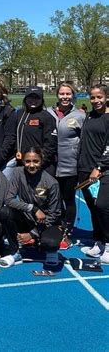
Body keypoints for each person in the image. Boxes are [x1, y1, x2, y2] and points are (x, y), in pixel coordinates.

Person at [0, 147, 63, 268]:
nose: (31, 165)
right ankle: (15, 252)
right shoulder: (17, 173)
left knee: (50, 243)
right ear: (23, 161)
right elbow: (8, 199)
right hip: (27, 218)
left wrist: (32, 234)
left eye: (36, 161)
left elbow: (54, 215)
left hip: (46, 223)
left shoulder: (52, 183)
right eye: (27, 161)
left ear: (42, 160)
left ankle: (48, 249)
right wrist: (33, 208)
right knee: (4, 212)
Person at [47, 82, 85, 248]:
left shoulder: (80, 116)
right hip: (49, 165)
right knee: (49, 199)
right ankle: (50, 228)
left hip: (69, 166)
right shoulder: (47, 113)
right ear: (57, 95)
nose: (64, 97)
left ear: (73, 95)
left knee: (67, 199)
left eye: (68, 94)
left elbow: (85, 141)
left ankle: (67, 232)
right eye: (62, 94)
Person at [78, 84, 109, 260]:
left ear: (106, 97)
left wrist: (98, 167)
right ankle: (98, 242)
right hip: (85, 168)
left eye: (99, 97)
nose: (96, 101)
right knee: (93, 208)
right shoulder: (89, 116)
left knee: (103, 206)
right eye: (93, 97)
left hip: (102, 170)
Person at [16, 86, 57, 175]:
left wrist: (38, 162)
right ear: (25, 98)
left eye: (37, 97)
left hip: (41, 166)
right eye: (30, 97)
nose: (33, 100)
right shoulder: (19, 114)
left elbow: (51, 145)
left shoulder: (46, 117)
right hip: (23, 164)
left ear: (41, 99)